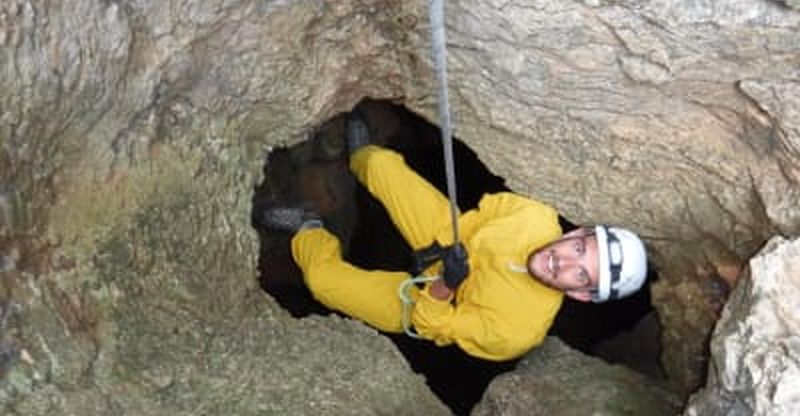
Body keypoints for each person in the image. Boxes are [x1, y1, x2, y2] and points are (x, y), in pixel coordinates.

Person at [255, 112, 648, 362]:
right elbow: (486, 211)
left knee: (323, 282)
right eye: (579, 248)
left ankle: (309, 227)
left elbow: (432, 326)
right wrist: (448, 249)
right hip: (451, 237)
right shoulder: (536, 217)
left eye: (581, 275)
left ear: (581, 294)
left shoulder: (516, 332)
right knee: (380, 166)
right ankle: (360, 157)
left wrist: (445, 283)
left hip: (431, 299)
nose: (562, 261)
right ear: (577, 232)